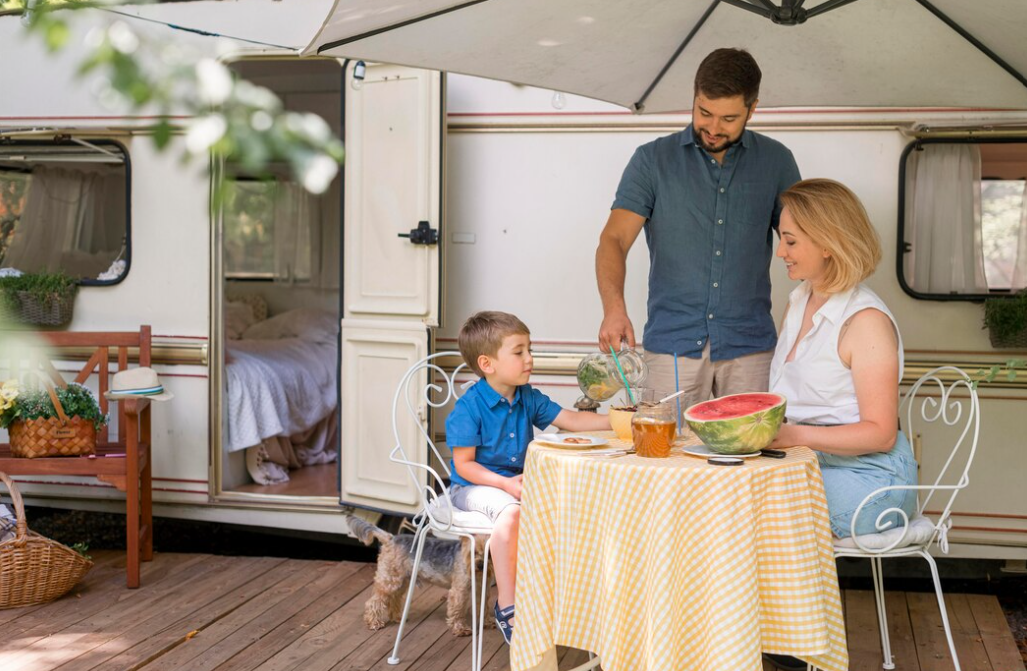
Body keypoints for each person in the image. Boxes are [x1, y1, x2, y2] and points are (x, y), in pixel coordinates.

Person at [596, 47, 801, 407]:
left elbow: (804, 242)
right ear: (694, 96)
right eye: (704, 112)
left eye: (728, 118)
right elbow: (613, 239)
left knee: (750, 458)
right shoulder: (651, 160)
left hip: (750, 346)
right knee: (662, 457)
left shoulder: (778, 161)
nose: (712, 127)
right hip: (671, 345)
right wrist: (614, 309)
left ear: (752, 109)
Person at [446, 311, 611, 644]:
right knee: (512, 513)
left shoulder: (527, 397)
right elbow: (464, 465)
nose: (529, 359)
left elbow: (571, 421)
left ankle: (564, 598)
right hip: (472, 487)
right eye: (519, 352)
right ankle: (508, 606)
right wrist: (506, 484)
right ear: (487, 363)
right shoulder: (469, 408)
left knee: (577, 505)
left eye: (529, 349)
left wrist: (619, 420)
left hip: (518, 484)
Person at [768, 178, 919, 540]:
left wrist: (789, 435)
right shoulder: (799, 300)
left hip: (872, 478)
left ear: (827, 244)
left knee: (755, 515)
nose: (780, 252)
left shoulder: (866, 322)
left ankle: (790, 599)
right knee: (731, 499)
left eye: (790, 241)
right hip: (813, 462)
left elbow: (881, 434)